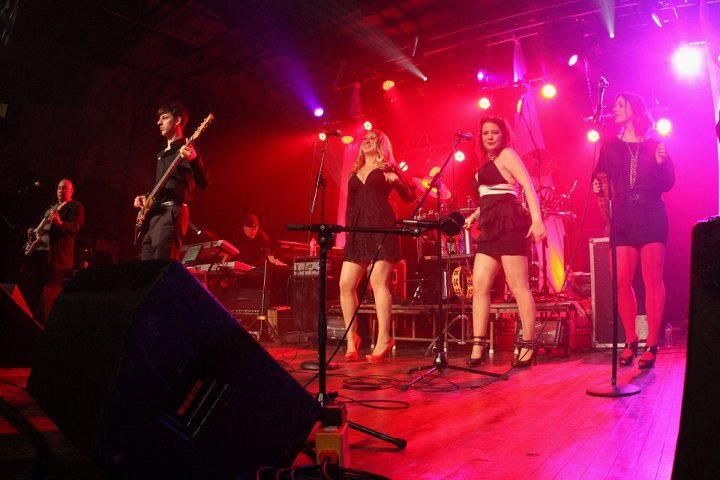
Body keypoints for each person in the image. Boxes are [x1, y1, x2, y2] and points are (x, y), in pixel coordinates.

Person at [592, 93, 674, 369]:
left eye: (620, 104)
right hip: (623, 215)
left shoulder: (654, 146)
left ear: (634, 110)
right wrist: (597, 185)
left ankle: (652, 342)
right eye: (614, 104)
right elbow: (600, 178)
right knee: (621, 280)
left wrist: (662, 164)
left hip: (651, 213)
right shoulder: (609, 146)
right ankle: (630, 339)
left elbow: (668, 183)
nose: (614, 109)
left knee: (652, 278)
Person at [464, 117, 546, 368]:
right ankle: (478, 344)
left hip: (510, 223)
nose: (489, 136)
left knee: (518, 286)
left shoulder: (508, 155)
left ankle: (528, 345)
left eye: (495, 132)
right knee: (479, 284)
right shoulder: (485, 162)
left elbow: (527, 186)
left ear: (504, 135)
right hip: (490, 226)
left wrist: (538, 220)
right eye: (485, 133)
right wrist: (475, 215)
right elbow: (491, 196)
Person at [339, 129, 415, 363]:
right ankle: (352, 338)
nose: (367, 141)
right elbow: (351, 205)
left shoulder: (387, 170)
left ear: (381, 145)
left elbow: (409, 196)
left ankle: (384, 338)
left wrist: (396, 178)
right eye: (365, 139)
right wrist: (348, 233)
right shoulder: (354, 171)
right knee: (345, 284)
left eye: (373, 139)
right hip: (358, 231)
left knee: (378, 282)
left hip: (382, 228)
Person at [133, 102, 208, 260]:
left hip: (172, 211)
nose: (158, 122)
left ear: (178, 120)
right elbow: (160, 184)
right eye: (159, 118)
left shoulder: (188, 149)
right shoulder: (161, 154)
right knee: (146, 266)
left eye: (164, 117)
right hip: (154, 215)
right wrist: (145, 197)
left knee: (163, 264)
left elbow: (203, 184)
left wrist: (194, 160)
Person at [26, 179, 84, 322]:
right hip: (41, 256)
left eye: (64, 188)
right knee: (36, 290)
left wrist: (60, 223)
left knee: (51, 294)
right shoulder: (51, 208)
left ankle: (48, 323)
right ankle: (33, 320)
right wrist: (33, 232)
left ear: (71, 191)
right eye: (59, 188)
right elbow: (41, 230)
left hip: (57, 258)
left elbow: (75, 228)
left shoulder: (75, 206)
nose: (61, 191)